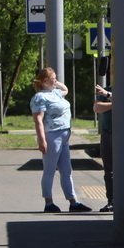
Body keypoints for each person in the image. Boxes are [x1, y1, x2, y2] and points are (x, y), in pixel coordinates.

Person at [30, 67, 91, 213]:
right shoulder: (40, 97)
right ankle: (48, 203)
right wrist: (41, 140)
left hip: (64, 136)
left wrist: (56, 83)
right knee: (49, 170)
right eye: (53, 78)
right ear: (45, 81)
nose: (56, 80)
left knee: (66, 170)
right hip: (52, 135)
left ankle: (73, 202)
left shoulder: (55, 93)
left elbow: (66, 89)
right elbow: (38, 120)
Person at [93, 83, 114, 212]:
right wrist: (115, 104)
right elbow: (97, 107)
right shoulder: (109, 89)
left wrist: (109, 97)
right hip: (108, 134)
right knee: (109, 171)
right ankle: (112, 201)